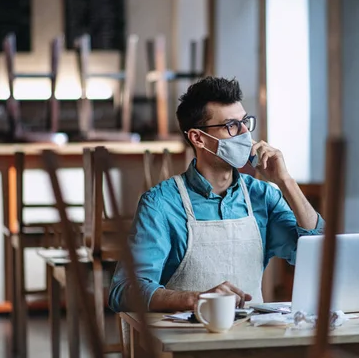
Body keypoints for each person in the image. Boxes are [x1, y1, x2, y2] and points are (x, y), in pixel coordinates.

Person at [109, 77, 324, 312]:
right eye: (231, 125)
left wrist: (286, 181)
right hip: (186, 341)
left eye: (245, 122)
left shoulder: (263, 196)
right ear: (198, 138)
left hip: (254, 336)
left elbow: (317, 254)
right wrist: (195, 299)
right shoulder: (161, 204)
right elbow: (123, 290)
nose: (244, 134)